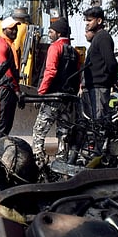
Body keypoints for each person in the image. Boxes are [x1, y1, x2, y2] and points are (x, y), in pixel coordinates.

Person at [31, 18, 78, 163]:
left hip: (53, 98)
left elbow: (50, 71)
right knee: (63, 133)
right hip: (67, 99)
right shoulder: (74, 52)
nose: (49, 34)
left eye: (51, 31)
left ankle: (39, 162)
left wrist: (41, 93)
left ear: (58, 33)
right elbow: (77, 76)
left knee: (39, 131)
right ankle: (61, 163)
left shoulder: (55, 48)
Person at [80, 6, 118, 120]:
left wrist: (111, 81)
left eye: (90, 20)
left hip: (99, 86)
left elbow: (111, 62)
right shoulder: (96, 38)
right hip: (93, 86)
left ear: (99, 20)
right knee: (93, 121)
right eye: (86, 20)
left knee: (99, 121)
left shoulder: (103, 37)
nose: (87, 23)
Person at [0, 16, 22, 140]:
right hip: (3, 89)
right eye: (11, 29)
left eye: (16, 29)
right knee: (0, 123)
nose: (15, 31)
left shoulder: (11, 46)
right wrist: (17, 89)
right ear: (4, 30)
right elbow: (6, 71)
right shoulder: (1, 45)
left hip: (10, 89)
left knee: (7, 124)